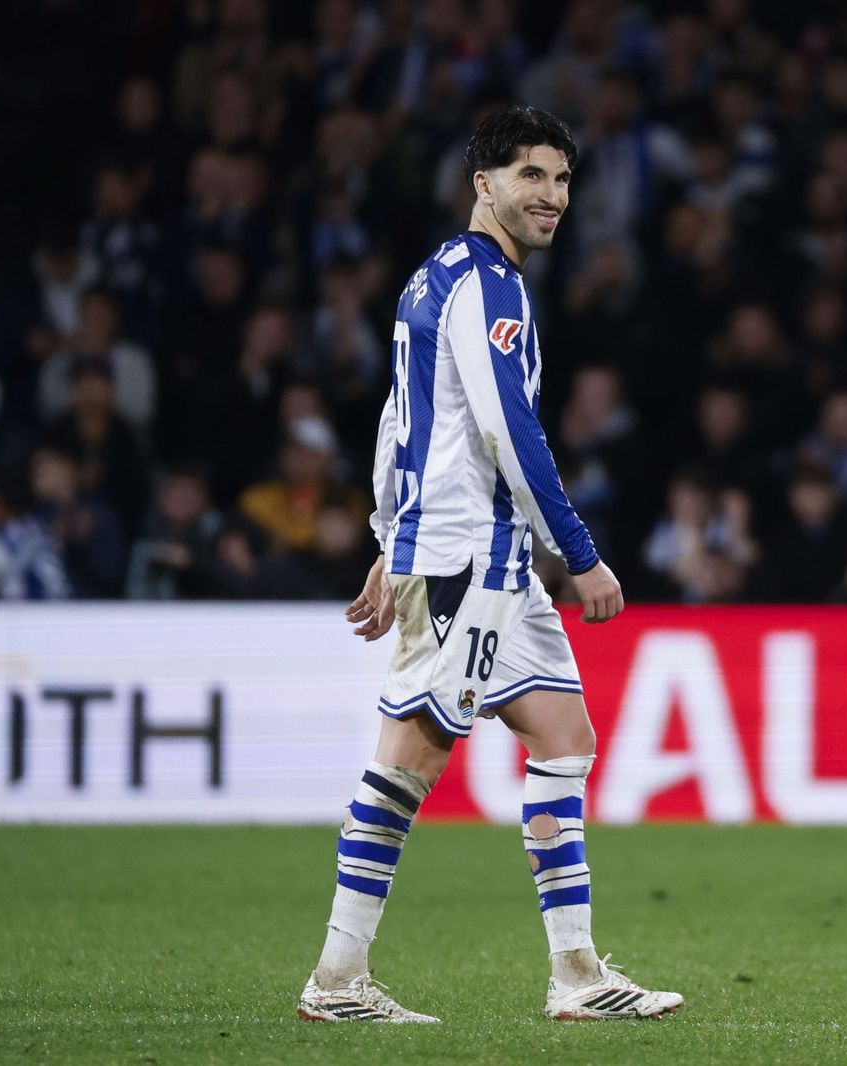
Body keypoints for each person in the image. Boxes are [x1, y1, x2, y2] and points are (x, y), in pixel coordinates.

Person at [297, 106, 682, 1024]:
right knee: (408, 765)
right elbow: (510, 430)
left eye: (561, 179)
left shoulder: (435, 278)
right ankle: (337, 979)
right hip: (472, 560)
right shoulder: (489, 287)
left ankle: (579, 974)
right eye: (531, 177)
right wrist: (581, 554)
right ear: (485, 185)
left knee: (564, 741)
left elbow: (401, 423)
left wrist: (390, 540)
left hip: (486, 561)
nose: (551, 196)